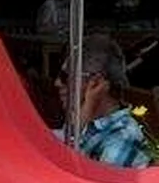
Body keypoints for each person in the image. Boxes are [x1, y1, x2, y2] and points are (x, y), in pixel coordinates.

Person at [57, 34, 150, 168]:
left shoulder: (120, 141)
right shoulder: (84, 122)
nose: (57, 83)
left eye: (65, 77)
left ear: (95, 82)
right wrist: (84, 115)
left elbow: (68, 176)